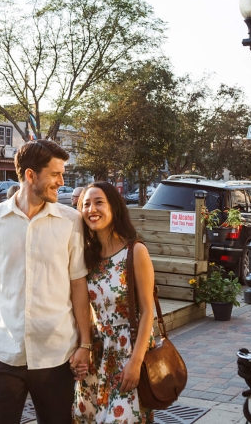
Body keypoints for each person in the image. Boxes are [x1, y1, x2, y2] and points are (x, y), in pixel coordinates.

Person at [0, 139, 91, 424]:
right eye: (55, 174)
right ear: (30, 175)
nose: (61, 181)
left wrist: (85, 343)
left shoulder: (71, 221)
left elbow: (79, 284)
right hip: (4, 351)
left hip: (57, 353)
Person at [73, 182, 155, 424]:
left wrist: (136, 361)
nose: (91, 209)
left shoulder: (135, 251)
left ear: (114, 208)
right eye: (86, 204)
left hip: (128, 351)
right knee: (87, 417)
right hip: (97, 353)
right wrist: (82, 347)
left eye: (99, 202)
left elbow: (148, 310)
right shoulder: (88, 256)